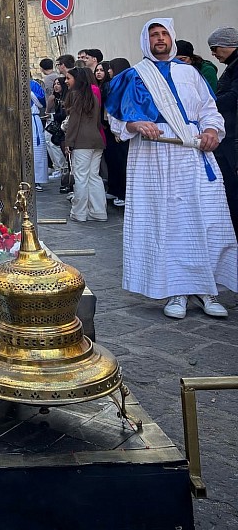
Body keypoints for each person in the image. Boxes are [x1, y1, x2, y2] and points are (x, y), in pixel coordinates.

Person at [105, 19, 237, 319]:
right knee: (166, 221)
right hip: (153, 156)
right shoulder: (133, 76)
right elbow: (116, 119)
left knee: (207, 217)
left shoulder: (190, 73)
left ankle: (206, 290)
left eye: (164, 33)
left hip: (192, 152)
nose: (160, 38)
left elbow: (209, 110)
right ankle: (175, 289)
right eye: (154, 34)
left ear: (172, 38)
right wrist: (135, 124)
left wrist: (212, 131)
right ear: (146, 40)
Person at [63, 66, 107, 222]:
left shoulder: (76, 96)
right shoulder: (93, 95)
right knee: (94, 176)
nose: (66, 81)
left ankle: (79, 212)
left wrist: (69, 141)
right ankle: (99, 211)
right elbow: (97, 121)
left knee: (81, 177)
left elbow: (74, 122)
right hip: (96, 139)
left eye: (69, 78)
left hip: (82, 141)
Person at [207, 27, 238, 237]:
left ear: (228, 45)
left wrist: (209, 105)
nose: (213, 53)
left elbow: (234, 97)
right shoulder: (231, 66)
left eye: (215, 48)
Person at [103, 58, 131, 208]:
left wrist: (119, 130)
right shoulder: (115, 84)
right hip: (115, 130)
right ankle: (116, 189)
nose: (108, 71)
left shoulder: (124, 85)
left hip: (124, 129)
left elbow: (119, 110)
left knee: (123, 163)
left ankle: (124, 194)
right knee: (114, 161)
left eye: (111, 68)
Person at [30, 79, 49, 190]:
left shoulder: (33, 84)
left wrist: (29, 92)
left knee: (37, 151)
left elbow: (42, 103)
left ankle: (37, 179)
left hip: (33, 119)